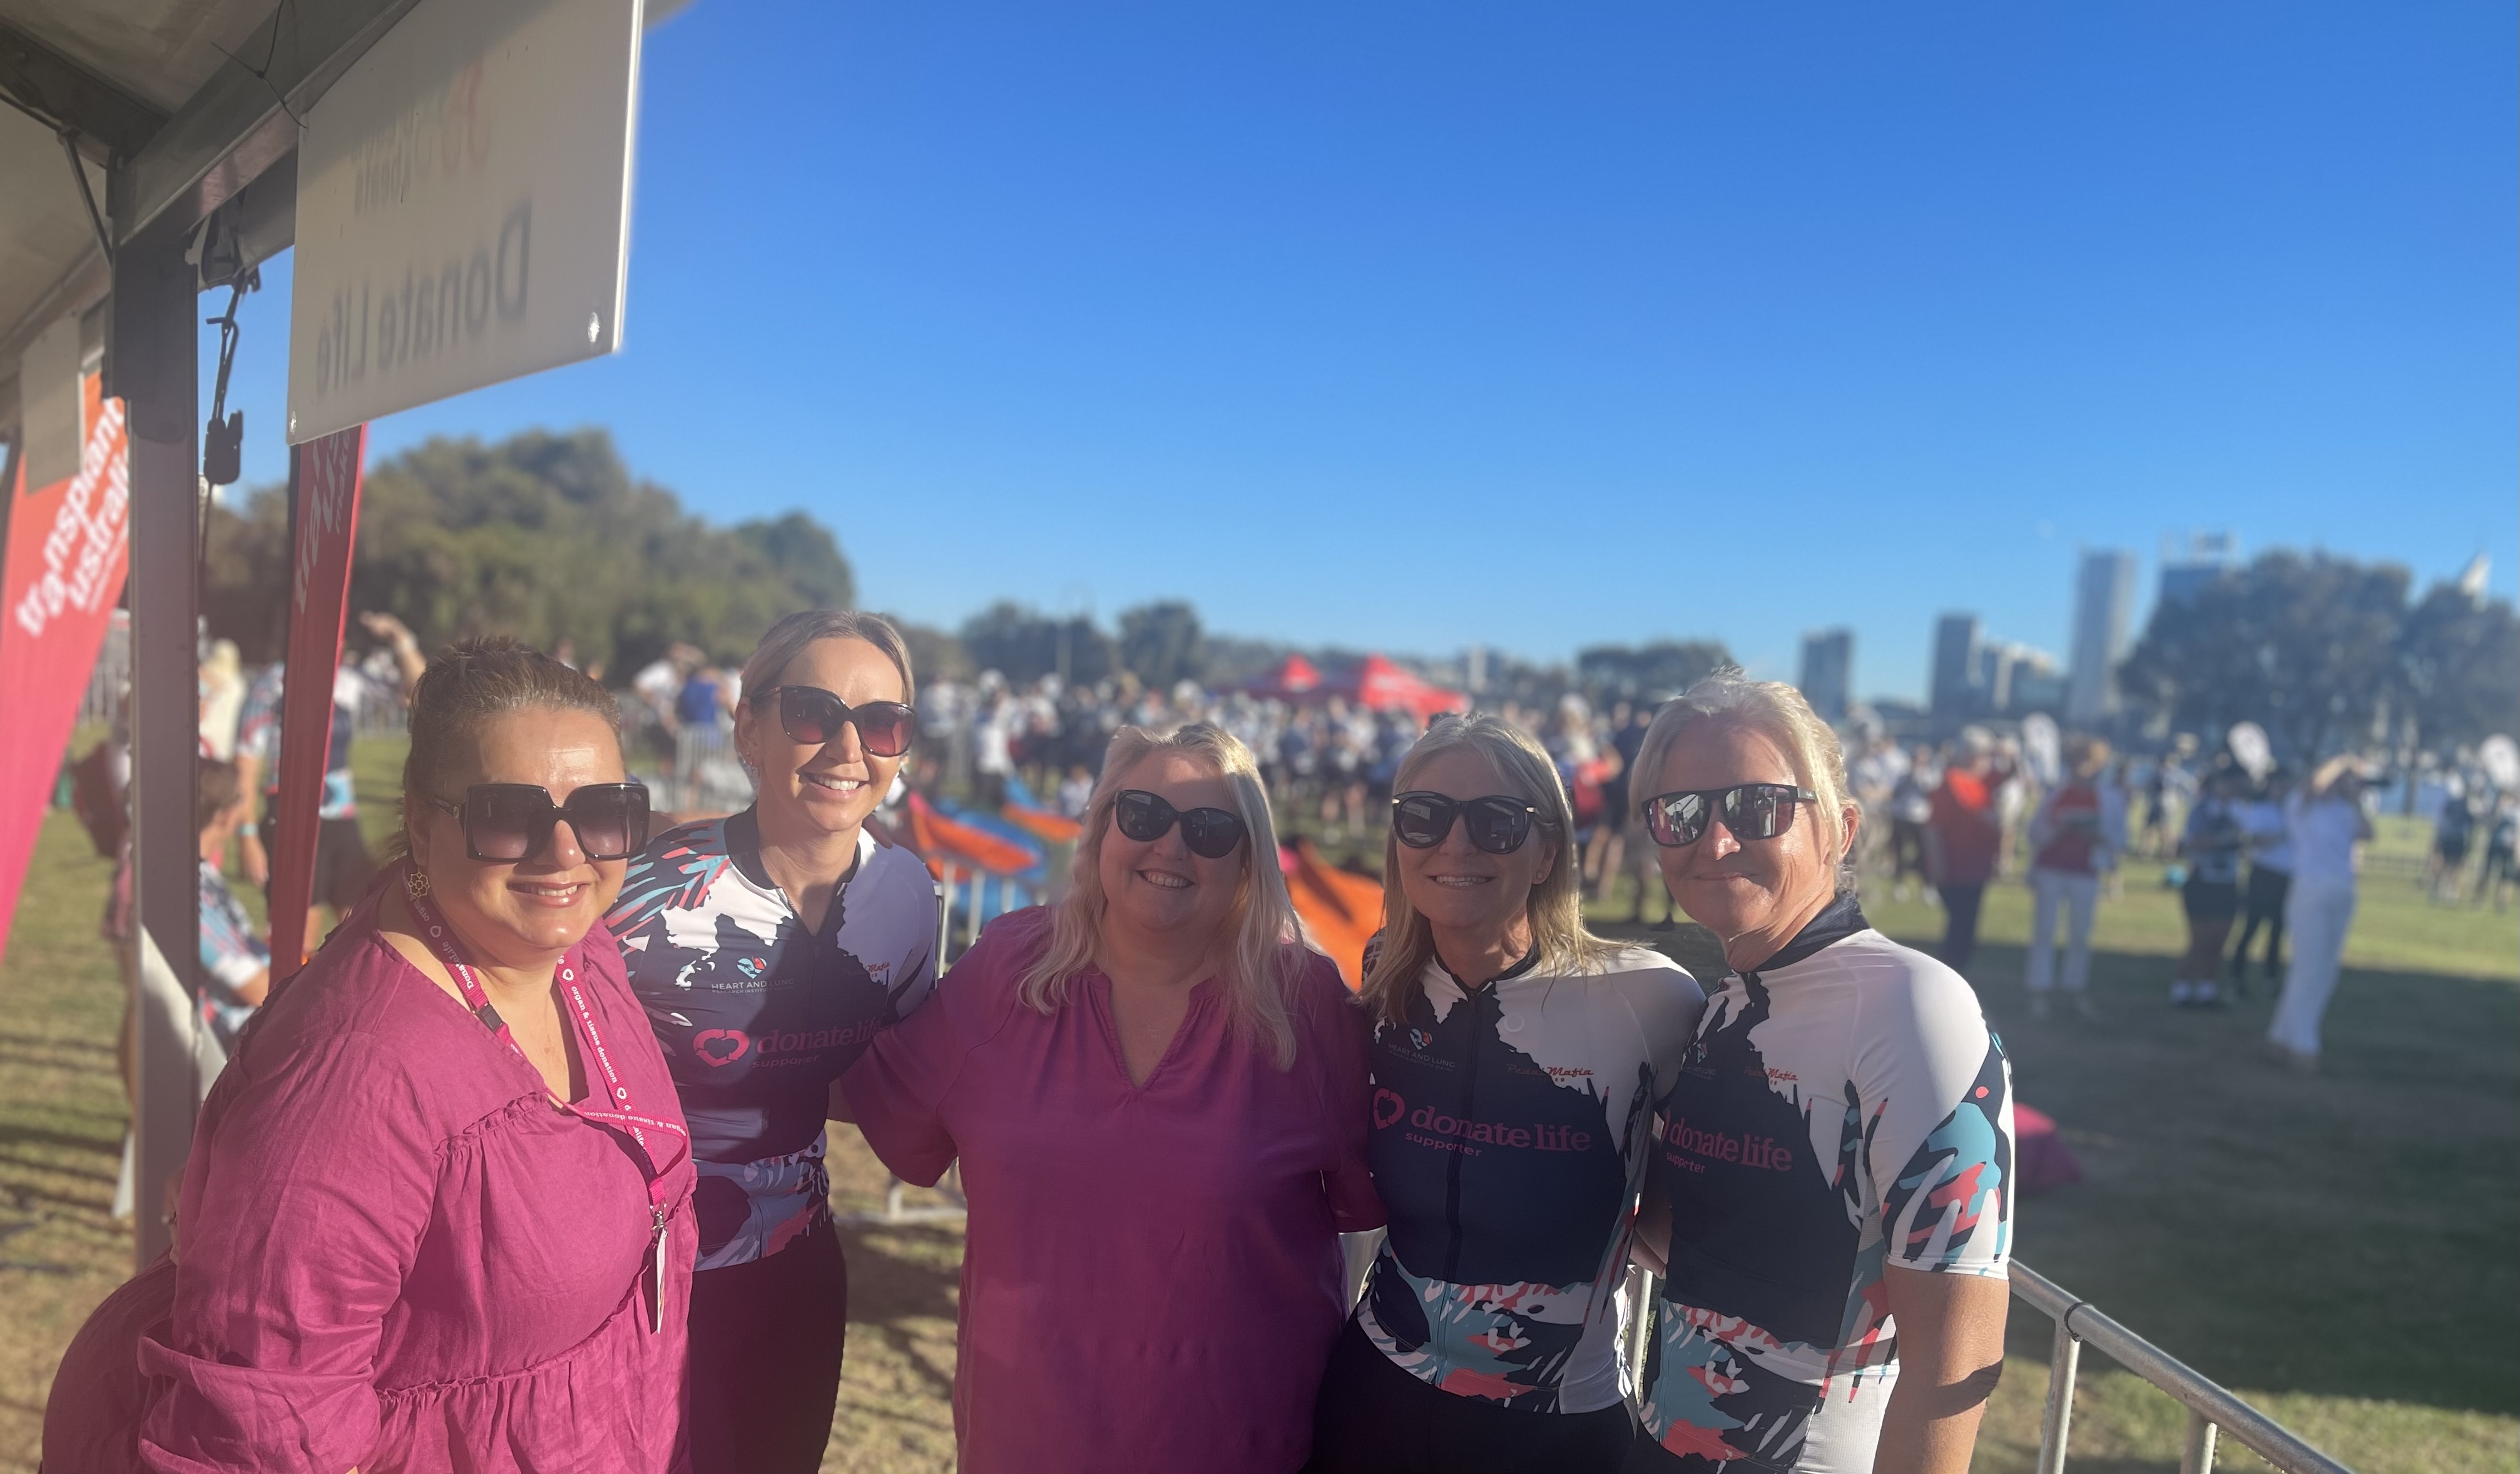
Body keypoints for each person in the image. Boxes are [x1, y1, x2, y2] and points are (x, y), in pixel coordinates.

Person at [54, 638, 694, 1473]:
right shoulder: (350, 1078)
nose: (566, 852)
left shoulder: (578, 951)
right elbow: (263, 1427)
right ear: (424, 823)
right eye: (511, 815)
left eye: (606, 812)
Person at [845, 723, 1380, 1474]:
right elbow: (871, 1090)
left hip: (1243, 1442)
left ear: (1247, 860)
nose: (1170, 845)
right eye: (1143, 815)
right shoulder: (1009, 969)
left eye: (1209, 828)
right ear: (1100, 829)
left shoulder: (1306, 1004)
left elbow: (1383, 1190)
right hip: (1026, 1440)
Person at [1625, 675, 2012, 1474]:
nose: (1716, 840)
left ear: (1841, 827)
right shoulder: (1727, 1005)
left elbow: (1954, 1368)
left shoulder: (1912, 1005)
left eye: (1757, 806)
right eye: (1682, 813)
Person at [1310, 714, 1703, 1474]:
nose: (1455, 845)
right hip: (1374, 1391)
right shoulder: (1386, 968)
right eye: (1423, 817)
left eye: (1496, 822)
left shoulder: (1647, 997)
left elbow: (1704, 1208)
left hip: (1555, 1425)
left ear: (1546, 849)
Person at [610, 611, 941, 1473]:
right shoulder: (637, 893)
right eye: (810, 712)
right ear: (747, 729)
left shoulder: (908, 898)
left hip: (795, 1266)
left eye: (881, 724)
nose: (845, 747)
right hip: (633, 1275)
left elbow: (876, 1074)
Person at [233, 611, 426, 960]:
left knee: (369, 926)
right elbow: (245, 763)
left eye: (338, 637)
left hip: (342, 819)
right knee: (297, 941)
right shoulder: (273, 683)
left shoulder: (347, 680)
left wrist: (400, 638)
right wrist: (247, 835)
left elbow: (419, 693)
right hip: (292, 818)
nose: (334, 643)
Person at [2265, 756, 2374, 1070]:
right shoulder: (2301, 806)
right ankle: (2304, 1041)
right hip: (2310, 888)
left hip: (2342, 888)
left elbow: (2368, 832)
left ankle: (2282, 1034)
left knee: (2326, 970)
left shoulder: (2345, 810)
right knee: (2309, 967)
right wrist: (2344, 761)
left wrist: (2355, 798)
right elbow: (2314, 784)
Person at [2023, 736, 2112, 1019]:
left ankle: (2076, 988)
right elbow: (2035, 833)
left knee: (2081, 933)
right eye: (2077, 762)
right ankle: (2040, 990)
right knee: (2045, 930)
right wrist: (2059, 831)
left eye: (2088, 763)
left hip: (2085, 871)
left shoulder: (2107, 798)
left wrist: (2095, 836)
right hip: (2052, 867)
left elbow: (2117, 838)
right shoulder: (2056, 794)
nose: (2082, 769)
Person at [193, 757, 270, 1052]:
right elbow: (257, 988)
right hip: (226, 1048)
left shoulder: (200, 873)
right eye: (241, 799)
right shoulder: (188, 891)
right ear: (224, 817)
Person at [1922, 728, 2010, 978]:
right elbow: (1934, 828)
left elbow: (2012, 773)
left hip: (1976, 866)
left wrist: (2005, 752)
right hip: (1957, 867)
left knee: (1968, 926)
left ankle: (1958, 972)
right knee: (1960, 927)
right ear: (1972, 755)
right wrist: (1937, 866)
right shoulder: (1952, 782)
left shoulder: (1981, 782)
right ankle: (1952, 974)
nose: (1989, 762)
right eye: (1985, 756)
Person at [2170, 763, 2248, 1007]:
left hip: (2228, 882)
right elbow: (2192, 842)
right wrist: (2225, 838)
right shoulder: (2201, 810)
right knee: (2199, 941)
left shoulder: (2241, 810)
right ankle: (2182, 989)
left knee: (2219, 942)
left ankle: (2208, 990)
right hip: (2202, 880)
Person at [2227, 768, 2295, 996]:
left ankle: (2271, 979)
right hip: (2264, 874)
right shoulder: (2261, 811)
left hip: (2286, 877)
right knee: (2251, 928)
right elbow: (2254, 842)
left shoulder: (2292, 812)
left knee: (2278, 932)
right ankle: (2236, 978)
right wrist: (2283, 835)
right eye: (2278, 785)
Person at [1887, 745, 1935, 903]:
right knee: (1900, 852)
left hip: (1921, 818)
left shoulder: (1930, 775)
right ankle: (1900, 885)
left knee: (1924, 854)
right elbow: (1895, 793)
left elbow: (1930, 793)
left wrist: (1919, 778)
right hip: (1902, 817)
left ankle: (1927, 887)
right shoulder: (1902, 775)